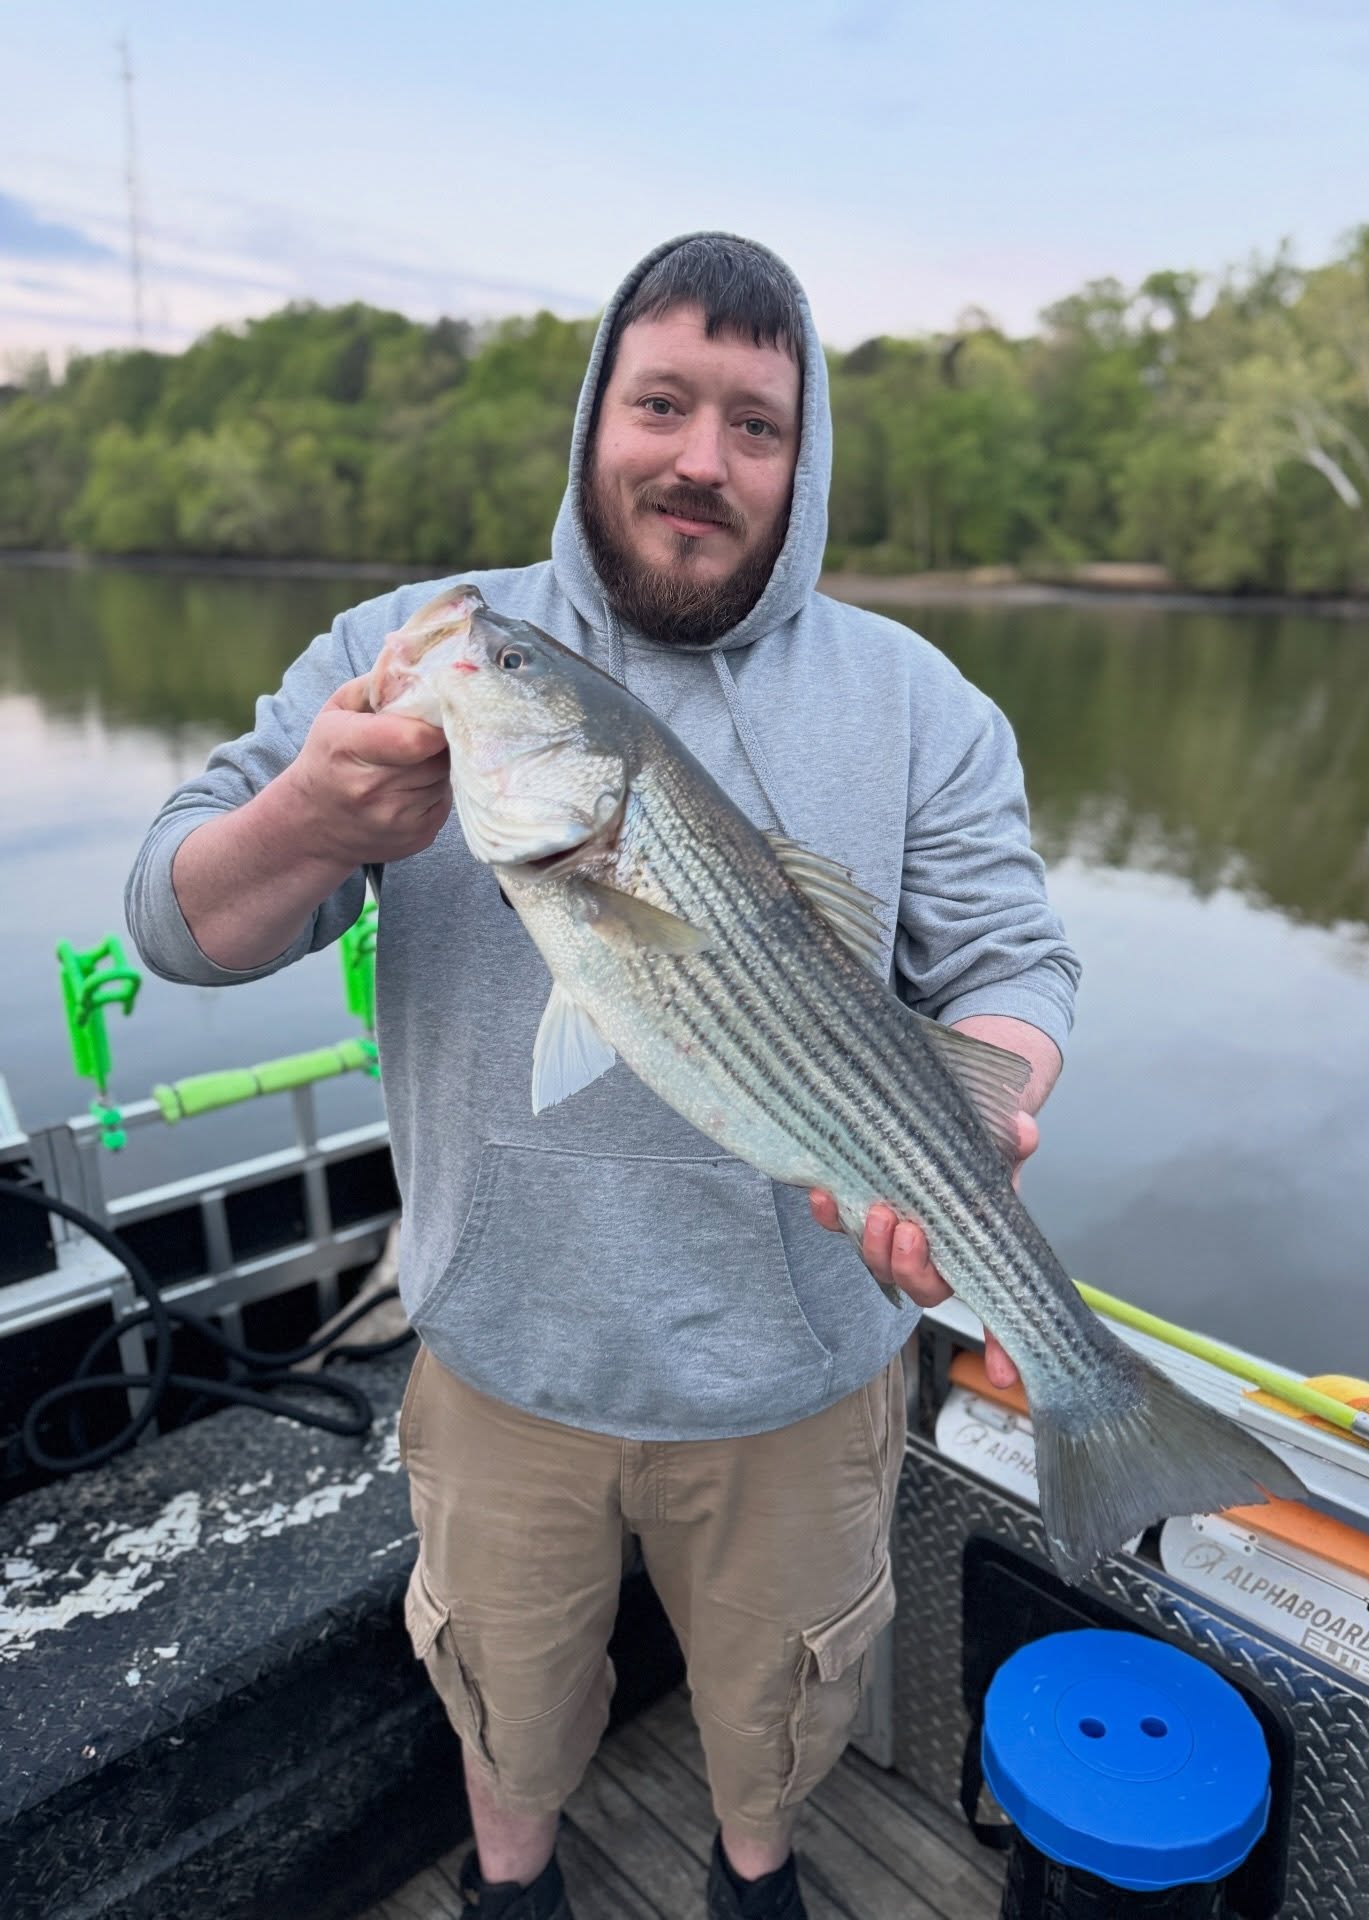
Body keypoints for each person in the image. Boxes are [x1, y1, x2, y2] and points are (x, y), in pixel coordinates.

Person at [126, 233, 1080, 1920]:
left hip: (801, 1383)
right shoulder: (411, 645)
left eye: (755, 425)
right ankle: (516, 1886)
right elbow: (179, 924)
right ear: (592, 418)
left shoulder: (922, 704)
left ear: (808, 462)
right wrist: (307, 820)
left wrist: (984, 1101)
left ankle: (760, 1873)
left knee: (782, 1715)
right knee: (506, 1705)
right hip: (499, 1361)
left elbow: (1006, 961)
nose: (701, 459)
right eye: (661, 403)